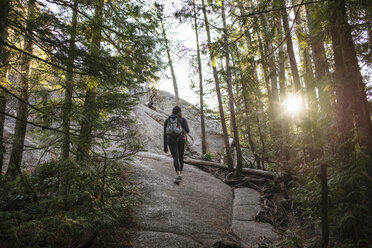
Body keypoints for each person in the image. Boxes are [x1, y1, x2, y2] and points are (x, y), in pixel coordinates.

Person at [164, 106, 190, 182]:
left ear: (172, 111)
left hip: (171, 140)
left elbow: (165, 134)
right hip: (181, 139)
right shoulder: (183, 119)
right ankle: (181, 173)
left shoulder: (167, 120)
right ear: (180, 112)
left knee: (175, 157)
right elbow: (187, 131)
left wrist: (165, 147)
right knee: (181, 157)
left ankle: (178, 174)